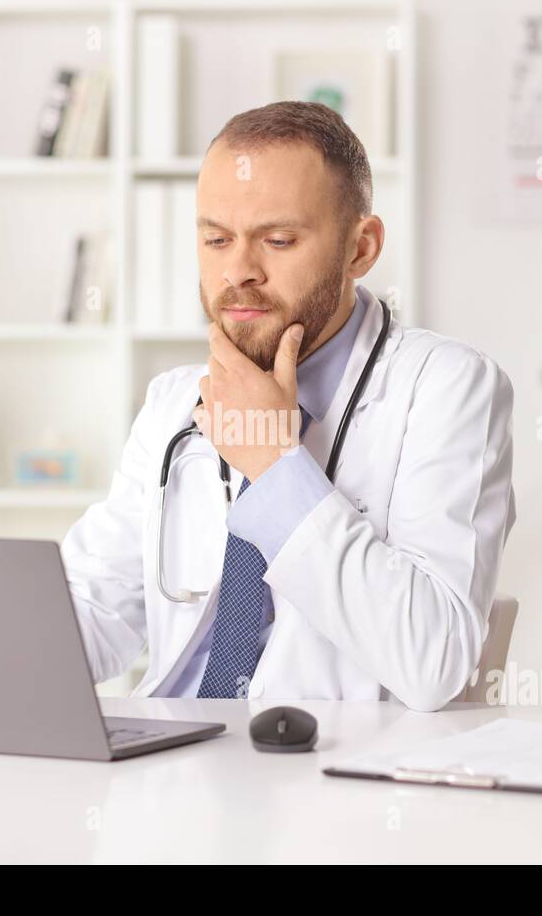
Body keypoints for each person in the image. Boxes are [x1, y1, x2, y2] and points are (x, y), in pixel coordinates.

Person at [61, 101, 515, 712]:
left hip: (331, 776)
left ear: (361, 248)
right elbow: (94, 609)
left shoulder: (448, 388)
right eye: (217, 239)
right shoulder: (174, 401)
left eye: (277, 240)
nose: (238, 271)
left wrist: (276, 467)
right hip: (169, 763)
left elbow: (433, 660)